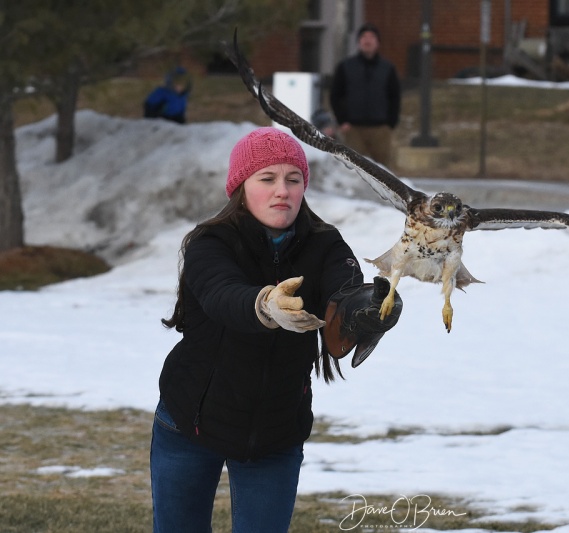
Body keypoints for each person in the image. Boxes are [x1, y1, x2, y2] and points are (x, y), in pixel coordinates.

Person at [150, 127, 403, 532]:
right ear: (240, 187)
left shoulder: (326, 244)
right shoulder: (209, 243)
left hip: (276, 432)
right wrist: (265, 305)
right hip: (189, 422)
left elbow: (345, 292)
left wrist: (368, 309)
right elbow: (222, 294)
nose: (281, 190)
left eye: (293, 179)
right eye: (266, 179)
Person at [330, 23, 401, 167]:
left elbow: (395, 97)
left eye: (371, 37)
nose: (367, 40)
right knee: (354, 169)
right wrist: (342, 120)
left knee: (384, 172)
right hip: (353, 129)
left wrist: (390, 123)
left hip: (380, 129)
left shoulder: (388, 68)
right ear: (358, 42)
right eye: (363, 37)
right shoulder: (346, 67)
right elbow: (335, 95)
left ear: (378, 42)